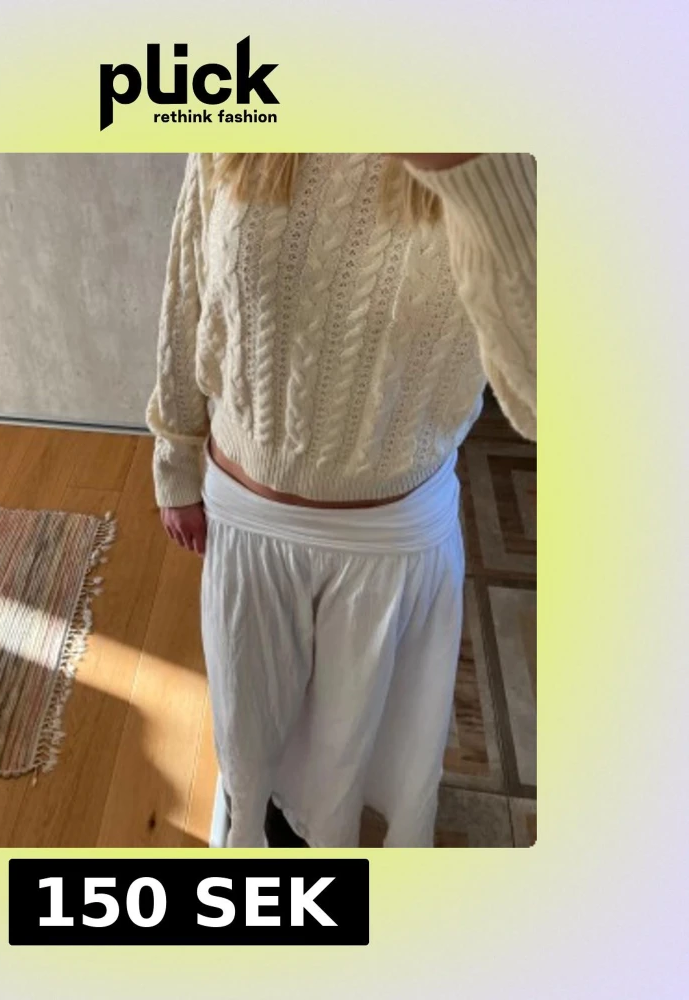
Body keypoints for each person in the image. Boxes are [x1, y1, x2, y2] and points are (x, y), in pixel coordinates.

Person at [145, 152, 535, 848]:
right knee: (250, 756)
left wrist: (479, 172)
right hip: (247, 521)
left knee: (349, 770)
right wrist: (174, 453)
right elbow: (189, 288)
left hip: (393, 546)